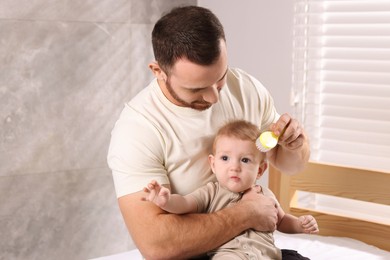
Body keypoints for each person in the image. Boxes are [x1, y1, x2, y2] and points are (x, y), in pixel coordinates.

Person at [107, 5, 310, 259]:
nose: (214, 97)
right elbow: (157, 246)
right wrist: (247, 213)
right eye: (197, 89)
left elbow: (288, 164)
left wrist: (295, 144)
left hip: (253, 248)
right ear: (158, 71)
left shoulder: (246, 88)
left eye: (220, 78)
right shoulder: (137, 129)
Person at [143, 120, 318, 260]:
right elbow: (185, 204)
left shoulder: (265, 195)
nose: (234, 167)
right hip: (230, 255)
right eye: (225, 158)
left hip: (270, 256)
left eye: (245, 160)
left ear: (260, 170)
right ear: (213, 163)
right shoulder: (211, 192)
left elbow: (282, 221)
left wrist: (299, 224)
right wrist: (166, 200)